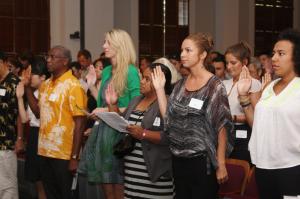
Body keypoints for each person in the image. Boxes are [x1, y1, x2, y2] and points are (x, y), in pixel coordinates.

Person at [152, 32, 234, 199]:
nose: (182, 54)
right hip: (178, 161)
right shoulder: (180, 85)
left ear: (202, 55)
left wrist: (221, 164)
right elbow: (168, 119)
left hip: (202, 163)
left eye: (188, 50)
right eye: (182, 50)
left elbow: (222, 127)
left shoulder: (214, 86)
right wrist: (160, 89)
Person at [237, 29, 300, 199]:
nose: (274, 58)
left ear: (296, 57)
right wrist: (243, 97)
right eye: (273, 53)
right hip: (263, 166)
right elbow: (257, 124)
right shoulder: (270, 87)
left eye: (281, 53)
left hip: (292, 168)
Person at [78, 29, 140, 199]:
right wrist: (91, 86)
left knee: (118, 183)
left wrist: (107, 110)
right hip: (103, 132)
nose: (103, 45)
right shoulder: (106, 72)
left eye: (108, 42)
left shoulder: (131, 72)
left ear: (119, 46)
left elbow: (136, 106)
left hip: (120, 134)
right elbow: (102, 103)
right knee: (106, 186)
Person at [24, 46, 87, 199]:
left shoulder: (74, 86)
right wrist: (27, 88)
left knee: (66, 195)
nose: (48, 60)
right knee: (51, 195)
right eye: (48, 56)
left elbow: (80, 123)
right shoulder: (46, 84)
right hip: (45, 151)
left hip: (63, 155)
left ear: (65, 61)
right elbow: (38, 112)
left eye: (52, 57)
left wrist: (74, 157)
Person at [105, 63, 174, 198]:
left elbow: (170, 136)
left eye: (147, 79)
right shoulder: (136, 100)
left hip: (155, 174)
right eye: (142, 77)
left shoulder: (166, 102)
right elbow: (123, 124)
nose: (141, 81)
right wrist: (112, 105)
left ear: (160, 81)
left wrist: (142, 134)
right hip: (132, 173)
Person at [223, 41, 261, 164]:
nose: (228, 67)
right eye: (227, 63)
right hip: (223, 134)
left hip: (243, 136)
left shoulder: (253, 84)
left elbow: (256, 120)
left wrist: (233, 117)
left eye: (233, 63)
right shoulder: (224, 83)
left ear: (244, 62)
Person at [16, 59, 49, 199]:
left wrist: (27, 88)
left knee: (47, 180)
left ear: (42, 77)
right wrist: (19, 98)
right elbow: (24, 119)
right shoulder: (33, 93)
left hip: (45, 136)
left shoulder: (47, 91)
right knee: (37, 179)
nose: (28, 76)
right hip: (35, 134)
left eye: (31, 73)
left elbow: (38, 112)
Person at [0, 51, 24, 199]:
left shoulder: (14, 82)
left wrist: (20, 138)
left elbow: (20, 114)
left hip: (6, 142)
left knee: (8, 186)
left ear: (3, 62)